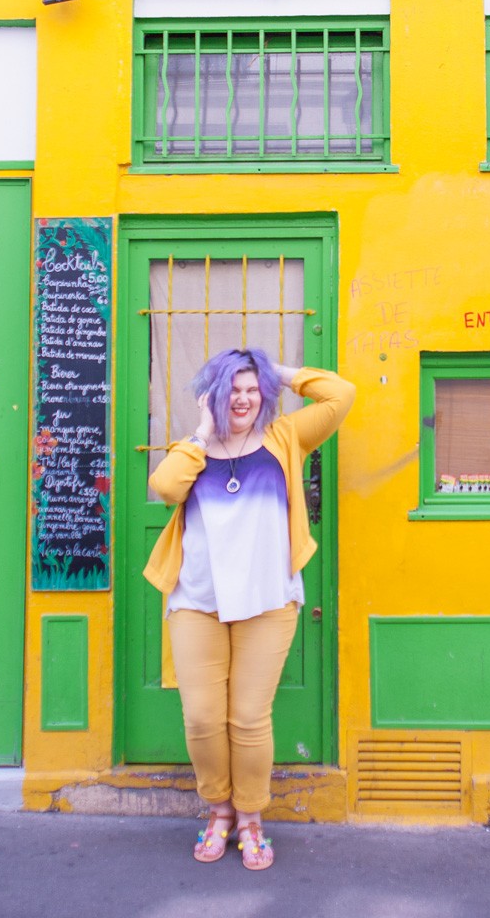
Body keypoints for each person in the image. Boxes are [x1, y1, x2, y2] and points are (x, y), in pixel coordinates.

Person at [144, 348, 355, 869]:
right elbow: (165, 487)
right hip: (198, 599)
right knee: (202, 718)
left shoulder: (285, 436)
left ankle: (251, 818)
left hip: (267, 599)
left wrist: (270, 369)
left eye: (251, 389)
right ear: (215, 395)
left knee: (248, 718)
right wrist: (202, 431)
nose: (243, 398)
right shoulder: (193, 449)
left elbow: (340, 394)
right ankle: (219, 810)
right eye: (232, 389)